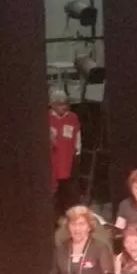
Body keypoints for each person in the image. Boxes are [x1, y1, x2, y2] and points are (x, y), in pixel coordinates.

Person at [49, 89, 81, 219]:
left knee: (70, 191)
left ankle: (71, 217)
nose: (63, 107)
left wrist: (78, 151)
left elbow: (77, 136)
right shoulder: (46, 117)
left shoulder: (72, 117)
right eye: (60, 104)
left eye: (65, 104)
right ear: (53, 104)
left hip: (69, 160)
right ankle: (55, 218)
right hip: (52, 162)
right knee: (55, 192)